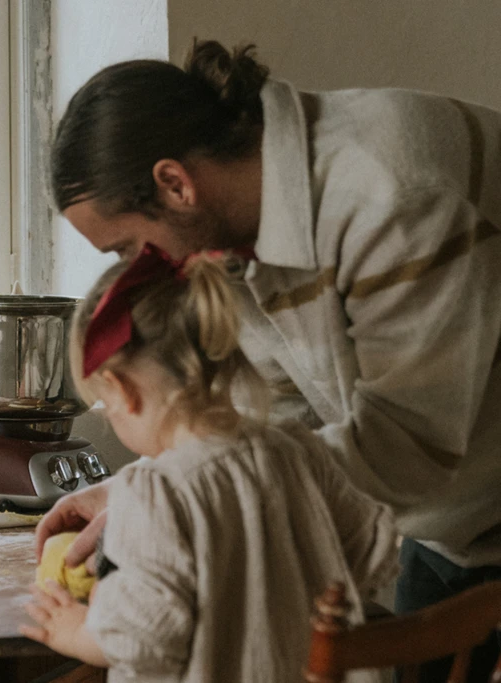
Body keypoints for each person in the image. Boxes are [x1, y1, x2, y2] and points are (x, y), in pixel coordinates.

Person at [38, 39, 501, 681]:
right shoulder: (235, 230)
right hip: (454, 520)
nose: (136, 270)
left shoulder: (390, 196)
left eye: (125, 248)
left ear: (175, 184)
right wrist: (152, 484)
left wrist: (184, 496)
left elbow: (408, 446)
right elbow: (278, 413)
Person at [21, 245, 397, 681]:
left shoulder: (153, 493)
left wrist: (80, 630)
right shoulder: (297, 449)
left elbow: (144, 642)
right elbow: (371, 553)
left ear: (121, 391)